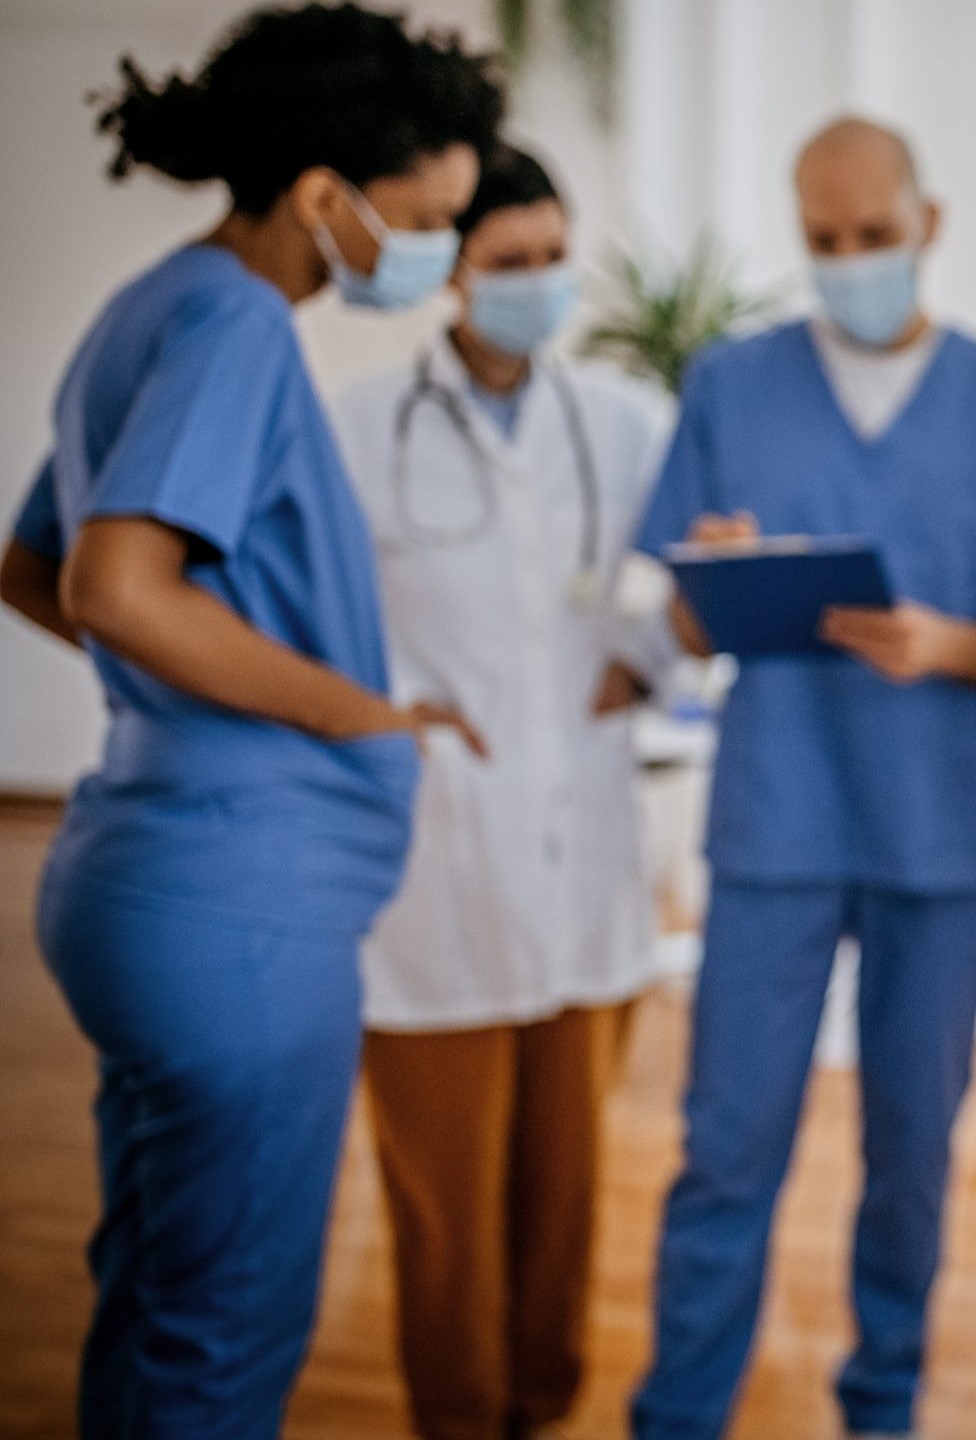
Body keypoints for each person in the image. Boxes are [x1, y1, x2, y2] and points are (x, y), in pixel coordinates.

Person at [0, 7, 501, 1436]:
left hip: (147, 878)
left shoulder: (150, 305)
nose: (439, 255)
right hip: (237, 908)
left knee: (159, 1295)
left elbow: (36, 567)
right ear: (325, 197)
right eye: (427, 219)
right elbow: (116, 582)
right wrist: (362, 713)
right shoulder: (234, 324)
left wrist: (179, 673)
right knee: (226, 1339)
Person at [629, 115, 976, 1440]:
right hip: (779, 815)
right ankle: (677, 1415)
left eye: (872, 238)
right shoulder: (732, 385)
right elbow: (678, 623)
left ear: (928, 223)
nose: (849, 263)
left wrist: (954, 644)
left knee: (910, 1160)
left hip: (937, 830)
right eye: (822, 243)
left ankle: (880, 1407)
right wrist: (708, 573)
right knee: (726, 1150)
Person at [327, 141, 675, 1440]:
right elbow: (315, 622)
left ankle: (544, 1407)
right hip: (437, 868)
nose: (535, 284)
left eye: (550, 257)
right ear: (451, 275)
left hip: (584, 865)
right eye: (505, 263)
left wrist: (644, 662)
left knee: (567, 1198)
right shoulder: (361, 427)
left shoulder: (626, 422)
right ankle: (461, 1421)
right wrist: (380, 714)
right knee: (445, 1209)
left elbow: (683, 588)